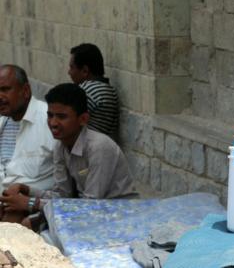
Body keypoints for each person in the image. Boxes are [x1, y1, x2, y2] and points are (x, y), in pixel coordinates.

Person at [0, 83, 136, 229]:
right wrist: (26, 189)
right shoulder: (60, 145)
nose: (53, 123)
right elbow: (62, 196)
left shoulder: (99, 147)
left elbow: (91, 204)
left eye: (62, 117)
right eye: (50, 115)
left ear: (83, 119)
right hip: (82, 210)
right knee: (18, 219)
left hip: (116, 213)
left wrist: (31, 203)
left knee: (29, 224)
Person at [0, 65, 55, 222]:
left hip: (30, 208)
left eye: (5, 89)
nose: (0, 96)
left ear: (25, 91)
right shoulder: (3, 119)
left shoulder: (49, 120)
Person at [69, 43, 119, 138]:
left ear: (85, 71)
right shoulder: (107, 90)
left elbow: (67, 121)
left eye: (72, 67)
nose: (69, 72)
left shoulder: (88, 91)